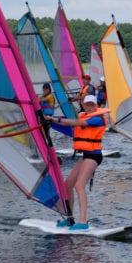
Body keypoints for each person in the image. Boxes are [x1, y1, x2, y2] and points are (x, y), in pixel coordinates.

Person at [46, 95, 108, 230]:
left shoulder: (98, 119)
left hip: (94, 156)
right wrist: (50, 121)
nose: (90, 107)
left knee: (79, 185)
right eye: (87, 104)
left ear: (96, 105)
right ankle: (70, 218)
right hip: (86, 155)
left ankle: (83, 221)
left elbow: (76, 123)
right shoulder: (84, 115)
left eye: (92, 104)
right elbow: (72, 125)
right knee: (67, 185)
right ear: (83, 105)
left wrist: (53, 119)